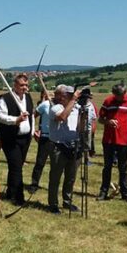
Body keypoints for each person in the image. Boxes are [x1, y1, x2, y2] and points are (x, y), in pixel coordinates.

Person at [0, 74, 34, 205]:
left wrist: (32, 132)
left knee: (16, 167)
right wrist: (15, 120)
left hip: (25, 138)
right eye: (22, 85)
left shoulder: (28, 97)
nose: (25, 87)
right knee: (16, 167)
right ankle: (18, 197)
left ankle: (10, 192)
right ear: (15, 85)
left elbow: (31, 115)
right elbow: (0, 116)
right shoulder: (5, 99)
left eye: (26, 85)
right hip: (11, 138)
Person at [97, 84, 127, 203]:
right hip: (109, 140)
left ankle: (125, 193)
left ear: (125, 93)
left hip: (124, 140)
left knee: (123, 168)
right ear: (114, 93)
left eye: (121, 95)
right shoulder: (108, 101)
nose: (119, 98)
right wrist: (108, 122)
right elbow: (100, 119)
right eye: (117, 95)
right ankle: (103, 191)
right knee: (107, 167)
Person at [46, 85, 83, 214]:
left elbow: (80, 126)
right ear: (60, 96)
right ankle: (53, 204)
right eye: (68, 95)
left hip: (73, 145)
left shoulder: (77, 108)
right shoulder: (55, 107)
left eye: (72, 95)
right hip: (58, 145)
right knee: (55, 177)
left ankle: (67, 201)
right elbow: (62, 117)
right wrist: (73, 100)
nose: (71, 97)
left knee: (71, 176)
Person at [29, 90, 51, 191]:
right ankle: (34, 184)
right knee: (40, 162)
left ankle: (53, 187)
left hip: (57, 138)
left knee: (56, 165)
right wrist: (34, 130)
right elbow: (32, 116)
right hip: (45, 137)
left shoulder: (63, 106)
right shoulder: (45, 105)